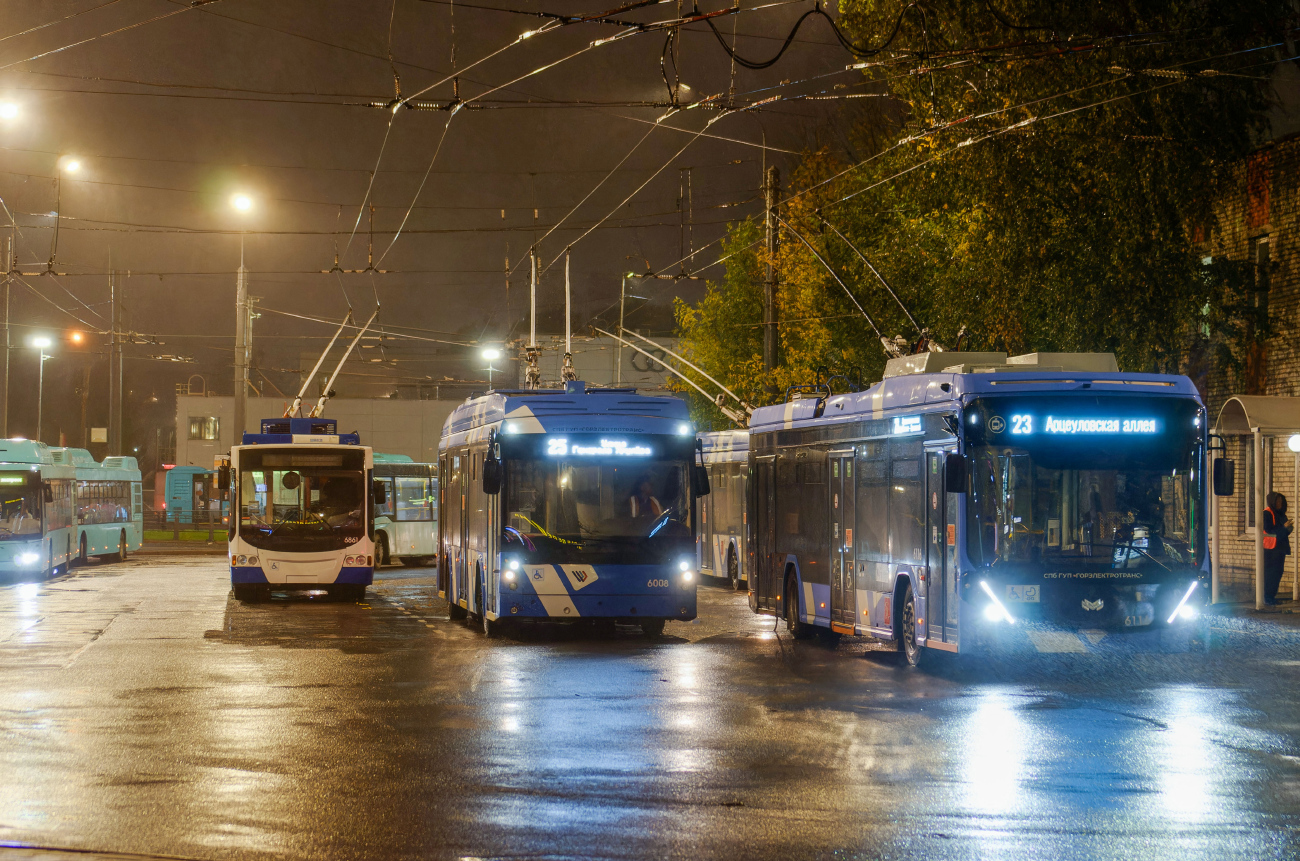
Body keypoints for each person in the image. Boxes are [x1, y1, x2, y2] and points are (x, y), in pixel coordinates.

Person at [1263, 491, 1293, 605]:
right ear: (1272, 502)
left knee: (1278, 572)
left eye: (1281, 501)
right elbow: (1269, 531)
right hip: (1271, 549)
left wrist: (1288, 529)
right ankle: (1267, 597)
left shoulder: (1281, 514)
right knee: (1271, 573)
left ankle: (1271, 596)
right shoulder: (1267, 513)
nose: (1279, 503)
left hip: (1280, 548)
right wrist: (1284, 528)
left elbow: (1282, 532)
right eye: (1277, 501)